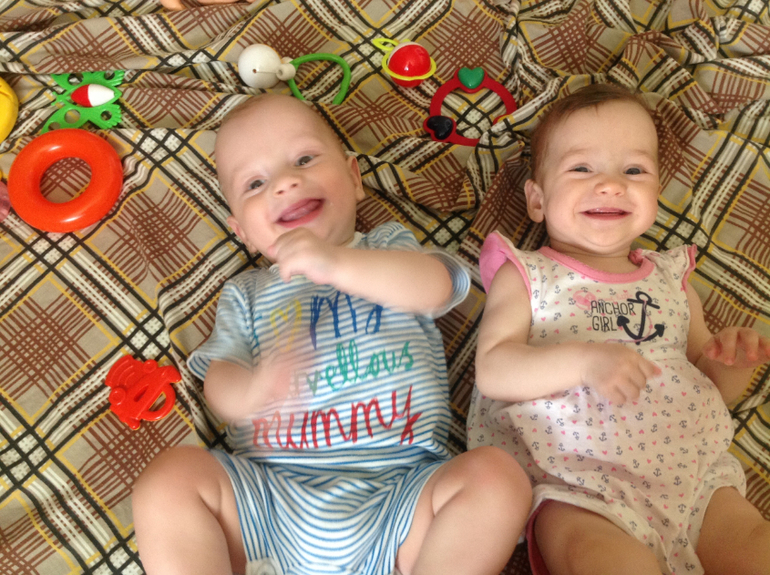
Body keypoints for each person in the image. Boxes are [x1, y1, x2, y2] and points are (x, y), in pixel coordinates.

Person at [132, 94, 532, 575]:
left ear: (354, 178)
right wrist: (253, 391)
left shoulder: (387, 246)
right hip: (270, 500)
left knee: (498, 476)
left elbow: (437, 287)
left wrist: (336, 262)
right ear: (241, 231)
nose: (285, 183)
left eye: (304, 159)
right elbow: (220, 381)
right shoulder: (247, 292)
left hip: (401, 493)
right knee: (168, 480)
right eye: (256, 183)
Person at [467, 84, 770, 575]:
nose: (610, 185)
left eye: (633, 171)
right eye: (581, 168)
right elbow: (494, 370)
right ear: (537, 200)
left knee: (756, 547)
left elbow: (709, 385)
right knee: (602, 561)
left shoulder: (671, 279)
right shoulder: (528, 275)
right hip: (577, 484)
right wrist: (584, 362)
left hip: (693, 478)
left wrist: (731, 362)